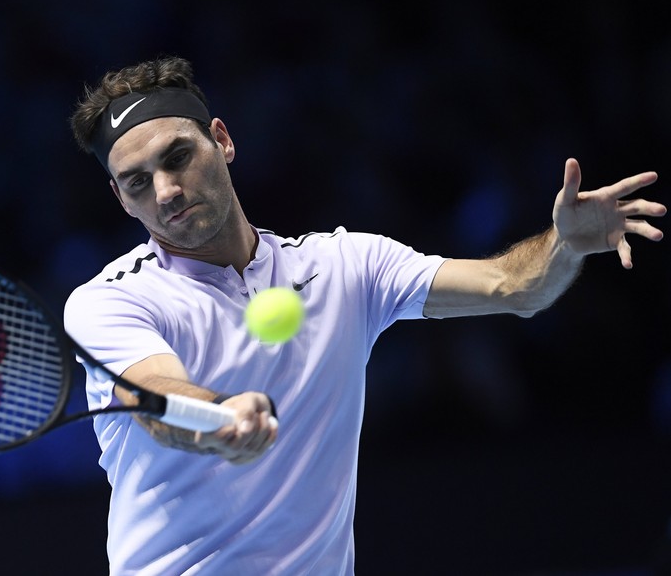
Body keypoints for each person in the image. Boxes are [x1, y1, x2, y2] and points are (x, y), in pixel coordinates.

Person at [64, 55, 665, 574]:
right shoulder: (110, 301)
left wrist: (566, 245)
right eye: (137, 182)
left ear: (221, 139)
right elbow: (155, 397)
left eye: (178, 156)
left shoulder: (347, 265)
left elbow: (517, 286)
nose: (165, 191)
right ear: (120, 198)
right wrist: (218, 417)